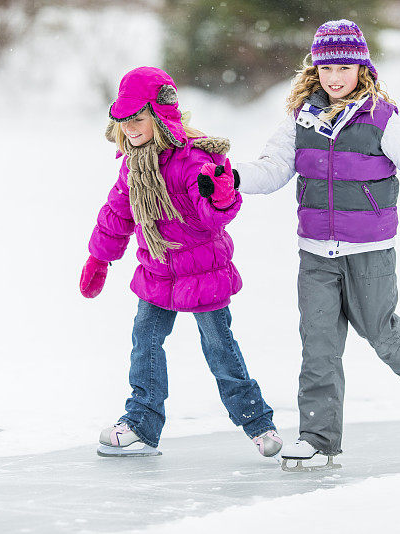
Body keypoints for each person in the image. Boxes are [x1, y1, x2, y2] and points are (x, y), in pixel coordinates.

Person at [234, 20, 400, 467]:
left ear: (362, 68)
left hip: (369, 253)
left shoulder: (381, 118)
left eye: (344, 67)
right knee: (318, 346)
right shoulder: (302, 119)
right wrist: (231, 177)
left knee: (379, 330)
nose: (335, 77)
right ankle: (317, 437)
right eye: (327, 67)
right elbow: (272, 168)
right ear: (315, 69)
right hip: (315, 254)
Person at [80, 66, 282, 458]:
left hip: (203, 272)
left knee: (219, 348)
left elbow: (211, 216)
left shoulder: (191, 160)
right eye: (123, 120)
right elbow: (117, 213)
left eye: (139, 118)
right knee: (146, 344)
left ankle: (259, 424)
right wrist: (99, 257)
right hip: (157, 273)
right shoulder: (133, 165)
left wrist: (221, 196)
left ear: (159, 116)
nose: (131, 128)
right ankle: (141, 424)